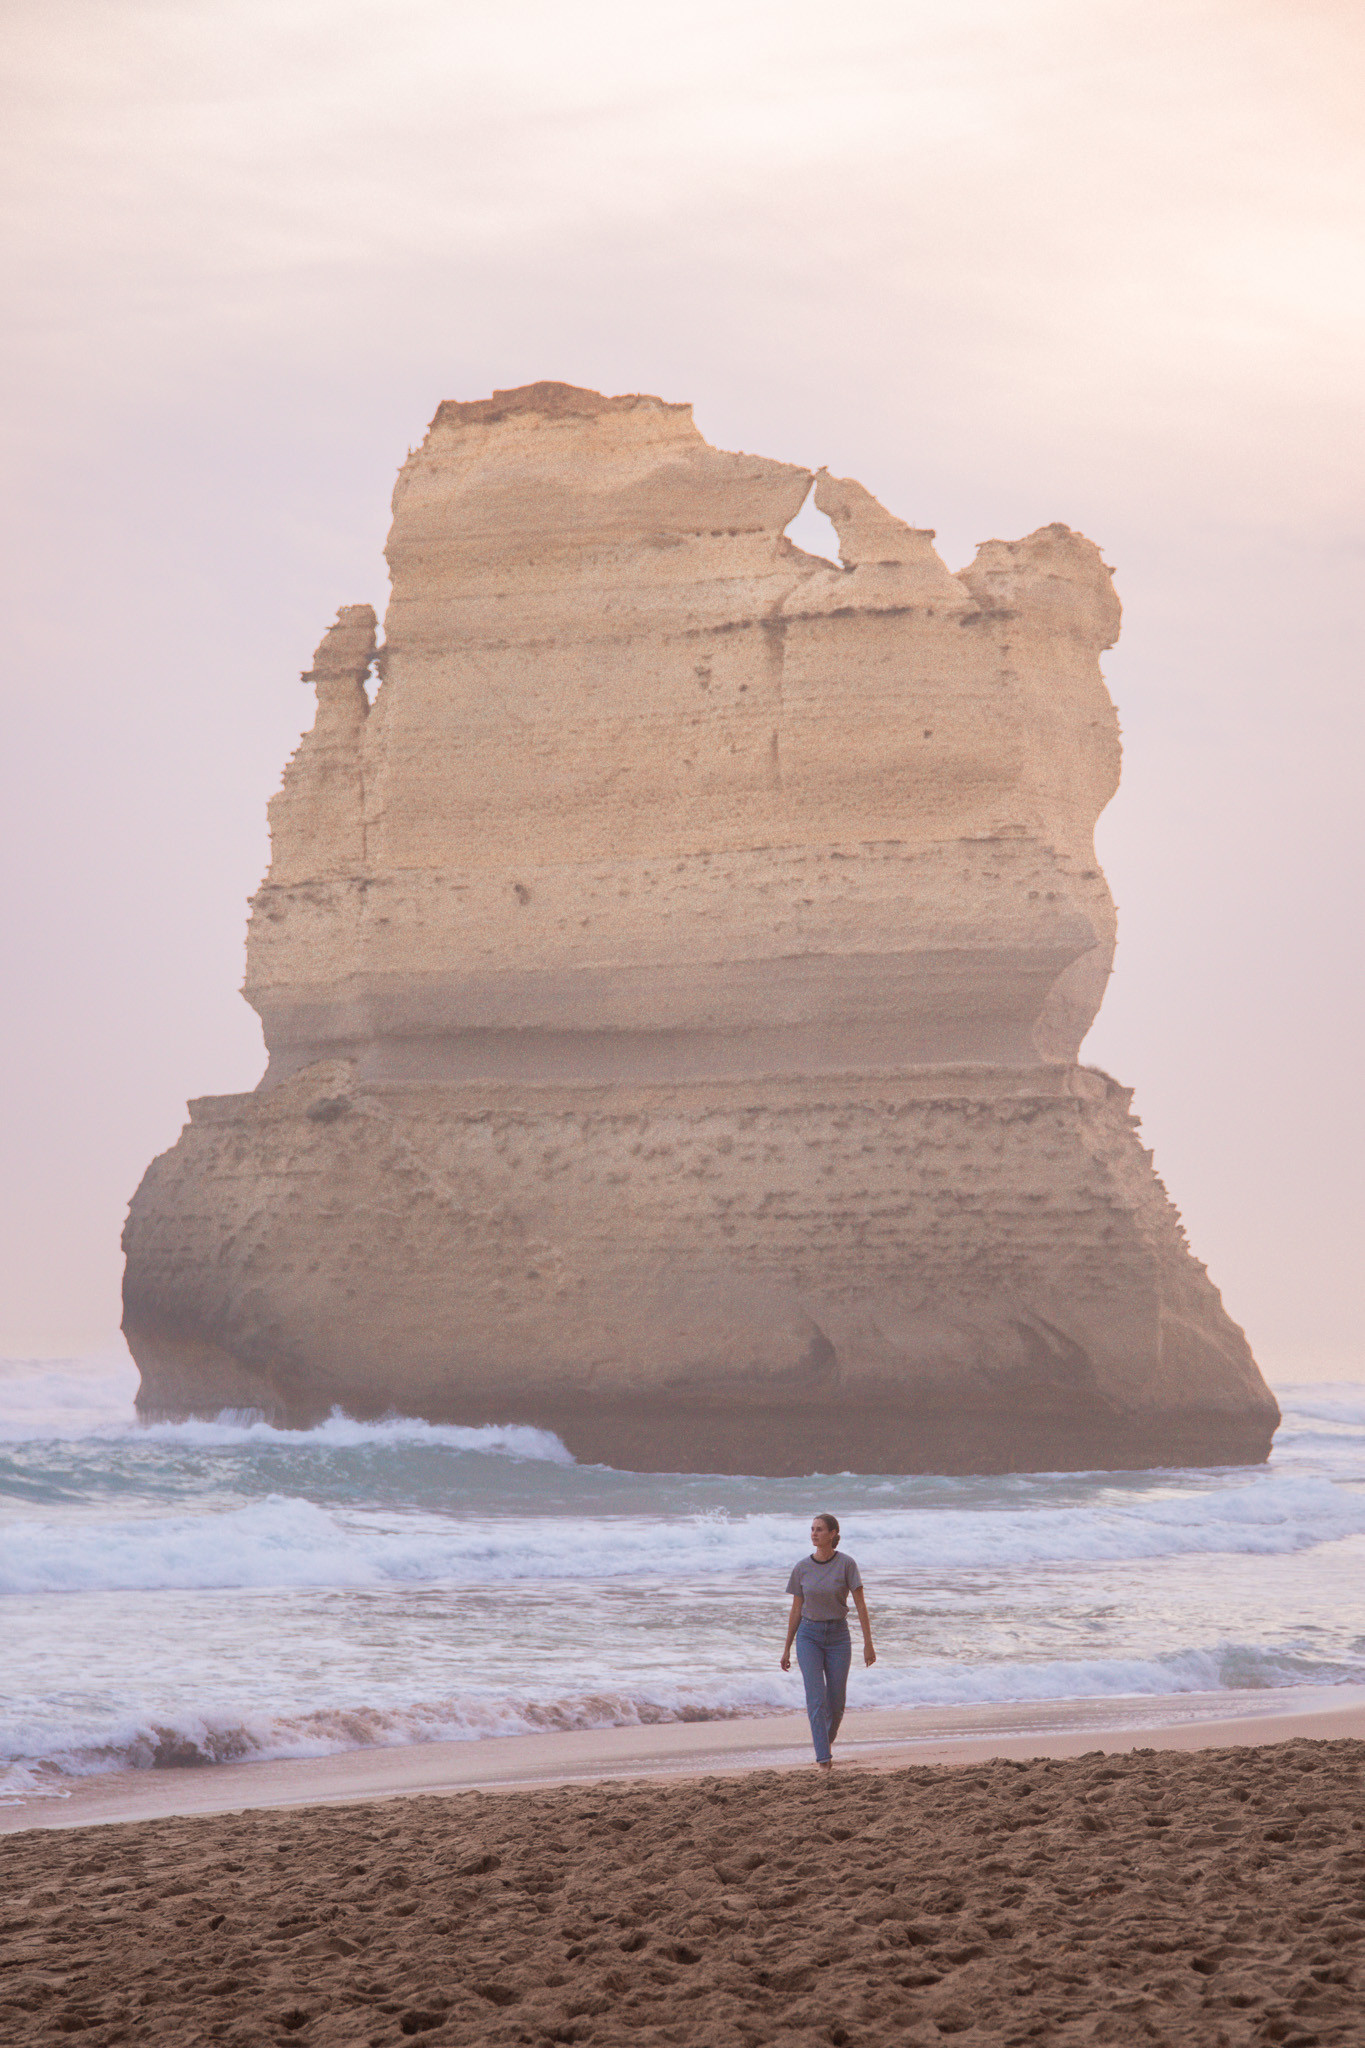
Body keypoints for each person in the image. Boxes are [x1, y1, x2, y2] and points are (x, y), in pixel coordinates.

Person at [780, 1512, 875, 1770]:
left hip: (838, 1637)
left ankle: (824, 1744)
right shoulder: (802, 1568)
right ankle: (824, 1760)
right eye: (812, 1529)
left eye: (820, 1529)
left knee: (836, 1704)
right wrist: (786, 1648)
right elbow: (796, 1610)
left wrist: (868, 1643)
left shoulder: (846, 1564)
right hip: (808, 1636)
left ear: (833, 1534)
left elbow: (861, 1605)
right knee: (816, 1699)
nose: (814, 1533)